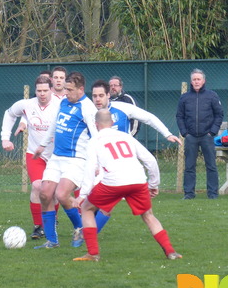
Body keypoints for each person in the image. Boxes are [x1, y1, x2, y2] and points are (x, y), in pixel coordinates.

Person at [72, 109, 182, 261]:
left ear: (96, 125)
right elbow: (150, 160)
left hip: (113, 182)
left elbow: (90, 168)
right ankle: (171, 252)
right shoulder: (126, 136)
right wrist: (153, 184)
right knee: (148, 215)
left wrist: (83, 195)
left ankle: (93, 253)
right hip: (137, 180)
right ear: (112, 123)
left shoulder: (94, 141)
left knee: (87, 208)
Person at [91, 80, 181, 232]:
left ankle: (86, 234)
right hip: (100, 160)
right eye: (94, 96)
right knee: (94, 201)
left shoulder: (122, 108)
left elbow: (149, 117)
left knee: (150, 160)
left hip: (123, 155)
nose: (98, 99)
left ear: (108, 95)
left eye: (101, 95)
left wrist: (167, 133)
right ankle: (85, 232)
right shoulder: (88, 111)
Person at [33, 71, 97, 249]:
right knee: (45, 194)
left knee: (61, 195)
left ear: (81, 89)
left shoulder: (88, 108)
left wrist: (98, 163)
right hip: (56, 157)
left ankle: (80, 227)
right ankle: (52, 241)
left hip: (76, 159)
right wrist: (42, 146)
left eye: (70, 89)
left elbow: (97, 136)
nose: (66, 93)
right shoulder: (63, 102)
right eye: (65, 89)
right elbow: (54, 125)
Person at [1, 75, 59, 239]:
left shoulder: (61, 105)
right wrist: (5, 138)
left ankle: (52, 222)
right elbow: (9, 113)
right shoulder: (27, 105)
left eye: (45, 90)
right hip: (35, 154)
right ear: (35, 91)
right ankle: (38, 226)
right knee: (37, 187)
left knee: (54, 193)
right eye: (39, 91)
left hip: (56, 156)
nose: (42, 94)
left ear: (51, 90)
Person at [176, 69, 224, 200]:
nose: (196, 82)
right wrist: (185, 132)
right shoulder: (184, 98)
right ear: (191, 81)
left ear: (204, 81)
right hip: (191, 136)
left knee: (211, 165)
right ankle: (189, 193)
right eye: (194, 79)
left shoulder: (212, 96)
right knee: (189, 166)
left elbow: (219, 114)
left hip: (207, 136)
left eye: (198, 79)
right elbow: (179, 116)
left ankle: (213, 193)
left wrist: (212, 132)